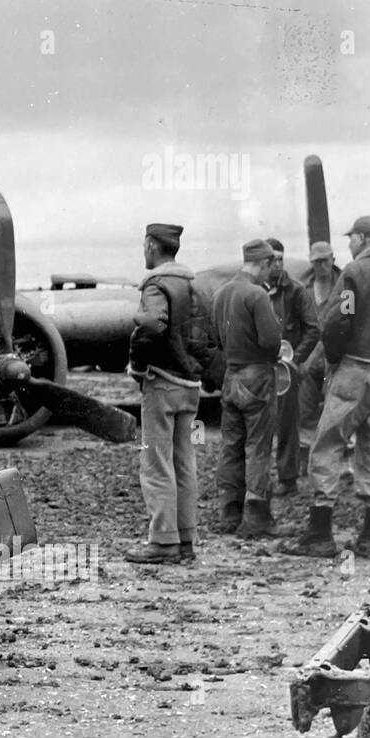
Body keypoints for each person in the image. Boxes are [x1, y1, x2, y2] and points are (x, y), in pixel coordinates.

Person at [281, 216, 370, 562]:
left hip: (354, 368)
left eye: (352, 238)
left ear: (363, 239)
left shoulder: (354, 273)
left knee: (328, 443)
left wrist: (332, 359)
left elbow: (337, 320)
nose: (349, 244)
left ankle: (319, 533)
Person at [126, 223, 203, 564]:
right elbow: (206, 337)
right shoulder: (192, 285)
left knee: (156, 463)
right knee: (184, 462)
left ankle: (162, 542)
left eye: (145, 245)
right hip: (190, 385)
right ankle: (185, 540)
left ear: (152, 245)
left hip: (161, 382)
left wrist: (138, 367)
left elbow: (151, 325)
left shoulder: (156, 285)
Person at [210, 239, 281, 539]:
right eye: (270, 266)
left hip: (231, 377)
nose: (271, 272)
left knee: (231, 446)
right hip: (257, 377)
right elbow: (271, 342)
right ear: (263, 263)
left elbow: (216, 338)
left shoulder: (221, 293)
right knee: (258, 447)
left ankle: (229, 512)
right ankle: (255, 516)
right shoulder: (256, 295)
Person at [264, 238, 320, 493]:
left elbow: (313, 329)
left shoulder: (296, 291)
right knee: (259, 424)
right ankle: (259, 479)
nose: (276, 264)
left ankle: (288, 479)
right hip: (259, 366)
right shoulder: (254, 289)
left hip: (285, 369)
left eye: (280, 259)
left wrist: (295, 359)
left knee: (287, 423)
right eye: (271, 259)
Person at [296, 241, 343, 468]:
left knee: (336, 409)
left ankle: (336, 460)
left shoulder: (346, 285)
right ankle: (306, 456)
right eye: (317, 262)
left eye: (325, 260)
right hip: (309, 359)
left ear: (333, 259)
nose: (322, 266)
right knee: (305, 409)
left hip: (335, 358)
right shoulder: (303, 288)